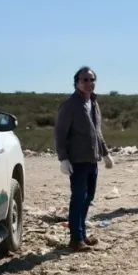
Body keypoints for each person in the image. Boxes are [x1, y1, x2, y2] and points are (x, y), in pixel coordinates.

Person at [54, 66, 115, 252]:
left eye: (91, 79)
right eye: (84, 80)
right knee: (78, 198)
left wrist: (105, 153)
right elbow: (60, 133)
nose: (88, 83)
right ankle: (75, 239)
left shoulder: (94, 103)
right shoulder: (70, 105)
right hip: (77, 160)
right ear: (76, 82)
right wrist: (63, 158)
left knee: (88, 198)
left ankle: (82, 234)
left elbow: (97, 132)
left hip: (92, 159)